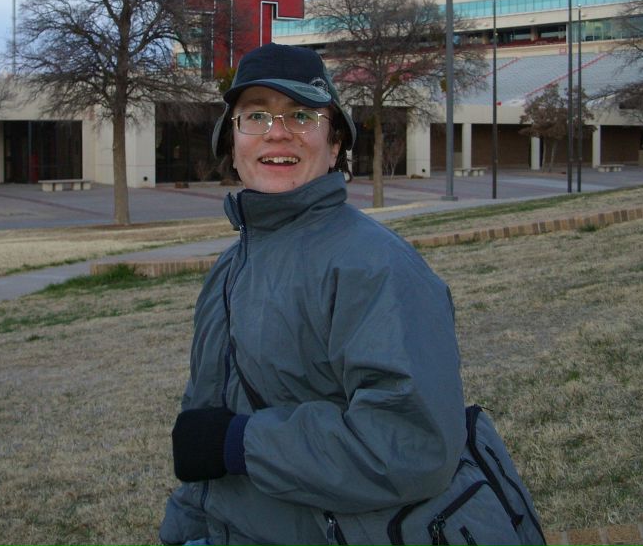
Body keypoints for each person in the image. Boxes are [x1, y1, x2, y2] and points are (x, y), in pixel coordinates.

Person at [160, 42, 471, 546]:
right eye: (255, 115)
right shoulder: (230, 268)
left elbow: (414, 444)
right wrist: (184, 529)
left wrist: (242, 444)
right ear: (232, 143)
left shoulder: (374, 266)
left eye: (302, 115)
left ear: (334, 146)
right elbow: (203, 436)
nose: (277, 131)